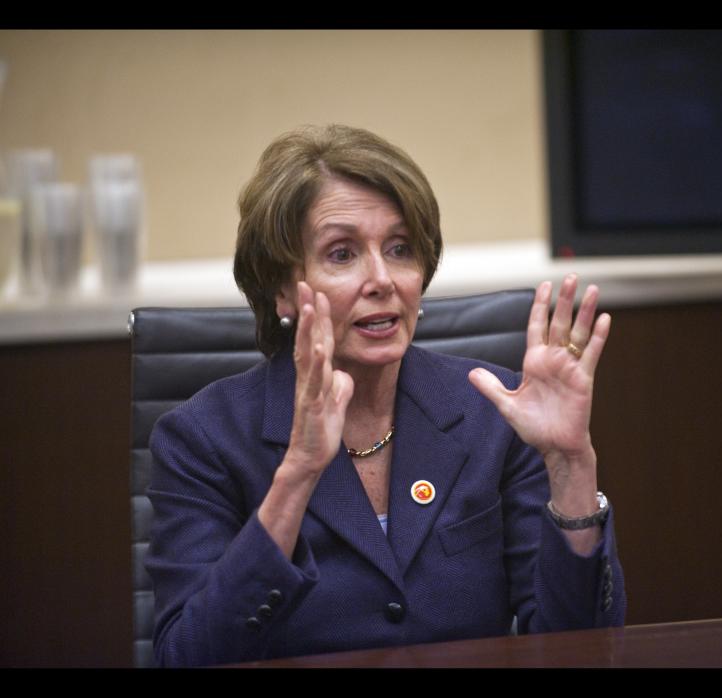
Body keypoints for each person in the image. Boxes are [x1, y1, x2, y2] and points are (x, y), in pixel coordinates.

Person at [146, 124, 625, 667]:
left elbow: (580, 646)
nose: (382, 279)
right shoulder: (202, 438)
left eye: (399, 249)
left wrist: (570, 465)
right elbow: (185, 658)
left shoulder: (494, 413)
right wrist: (298, 472)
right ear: (281, 287)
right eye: (342, 254)